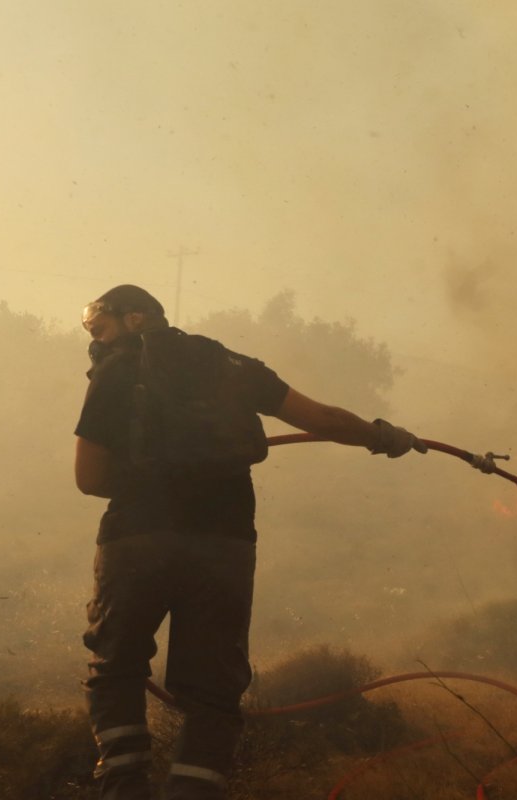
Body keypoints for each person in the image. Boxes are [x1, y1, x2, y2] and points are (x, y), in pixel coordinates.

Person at [74, 284, 426, 800]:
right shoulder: (231, 366)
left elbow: (89, 478)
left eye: (98, 329)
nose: (95, 343)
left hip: (137, 539)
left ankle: (124, 787)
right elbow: (323, 420)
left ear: (134, 319)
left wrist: (146, 473)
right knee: (213, 692)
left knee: (117, 669)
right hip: (225, 545)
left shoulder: (116, 370)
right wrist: (385, 436)